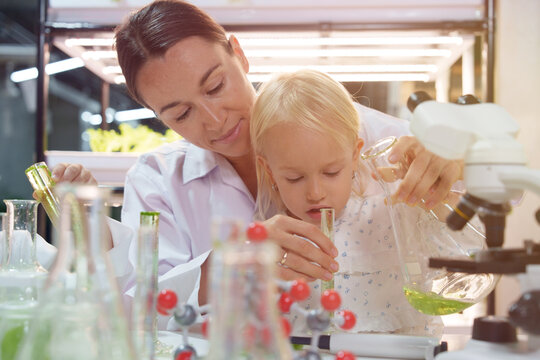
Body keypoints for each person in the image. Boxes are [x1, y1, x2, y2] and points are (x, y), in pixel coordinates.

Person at [51, 0, 462, 328]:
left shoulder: (351, 128)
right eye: (181, 114)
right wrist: (232, 263)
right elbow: (141, 306)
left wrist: (451, 160)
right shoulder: (159, 179)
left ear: (239, 55)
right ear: (159, 117)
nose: (215, 121)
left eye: (215, 86)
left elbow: (493, 200)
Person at [251, 69, 446, 335]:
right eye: (295, 178)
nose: (315, 193)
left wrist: (438, 191)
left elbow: (463, 245)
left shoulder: (391, 214)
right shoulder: (271, 246)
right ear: (270, 170)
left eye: (331, 172)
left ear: (355, 155)